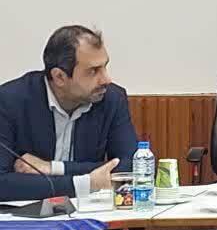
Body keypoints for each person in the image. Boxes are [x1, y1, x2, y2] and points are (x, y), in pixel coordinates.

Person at [0, 26, 136, 202]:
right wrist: (85, 183)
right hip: (25, 215)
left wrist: (54, 168)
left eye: (105, 67)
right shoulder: (9, 101)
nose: (106, 79)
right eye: (93, 71)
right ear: (59, 77)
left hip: (90, 213)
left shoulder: (112, 99)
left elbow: (132, 166)